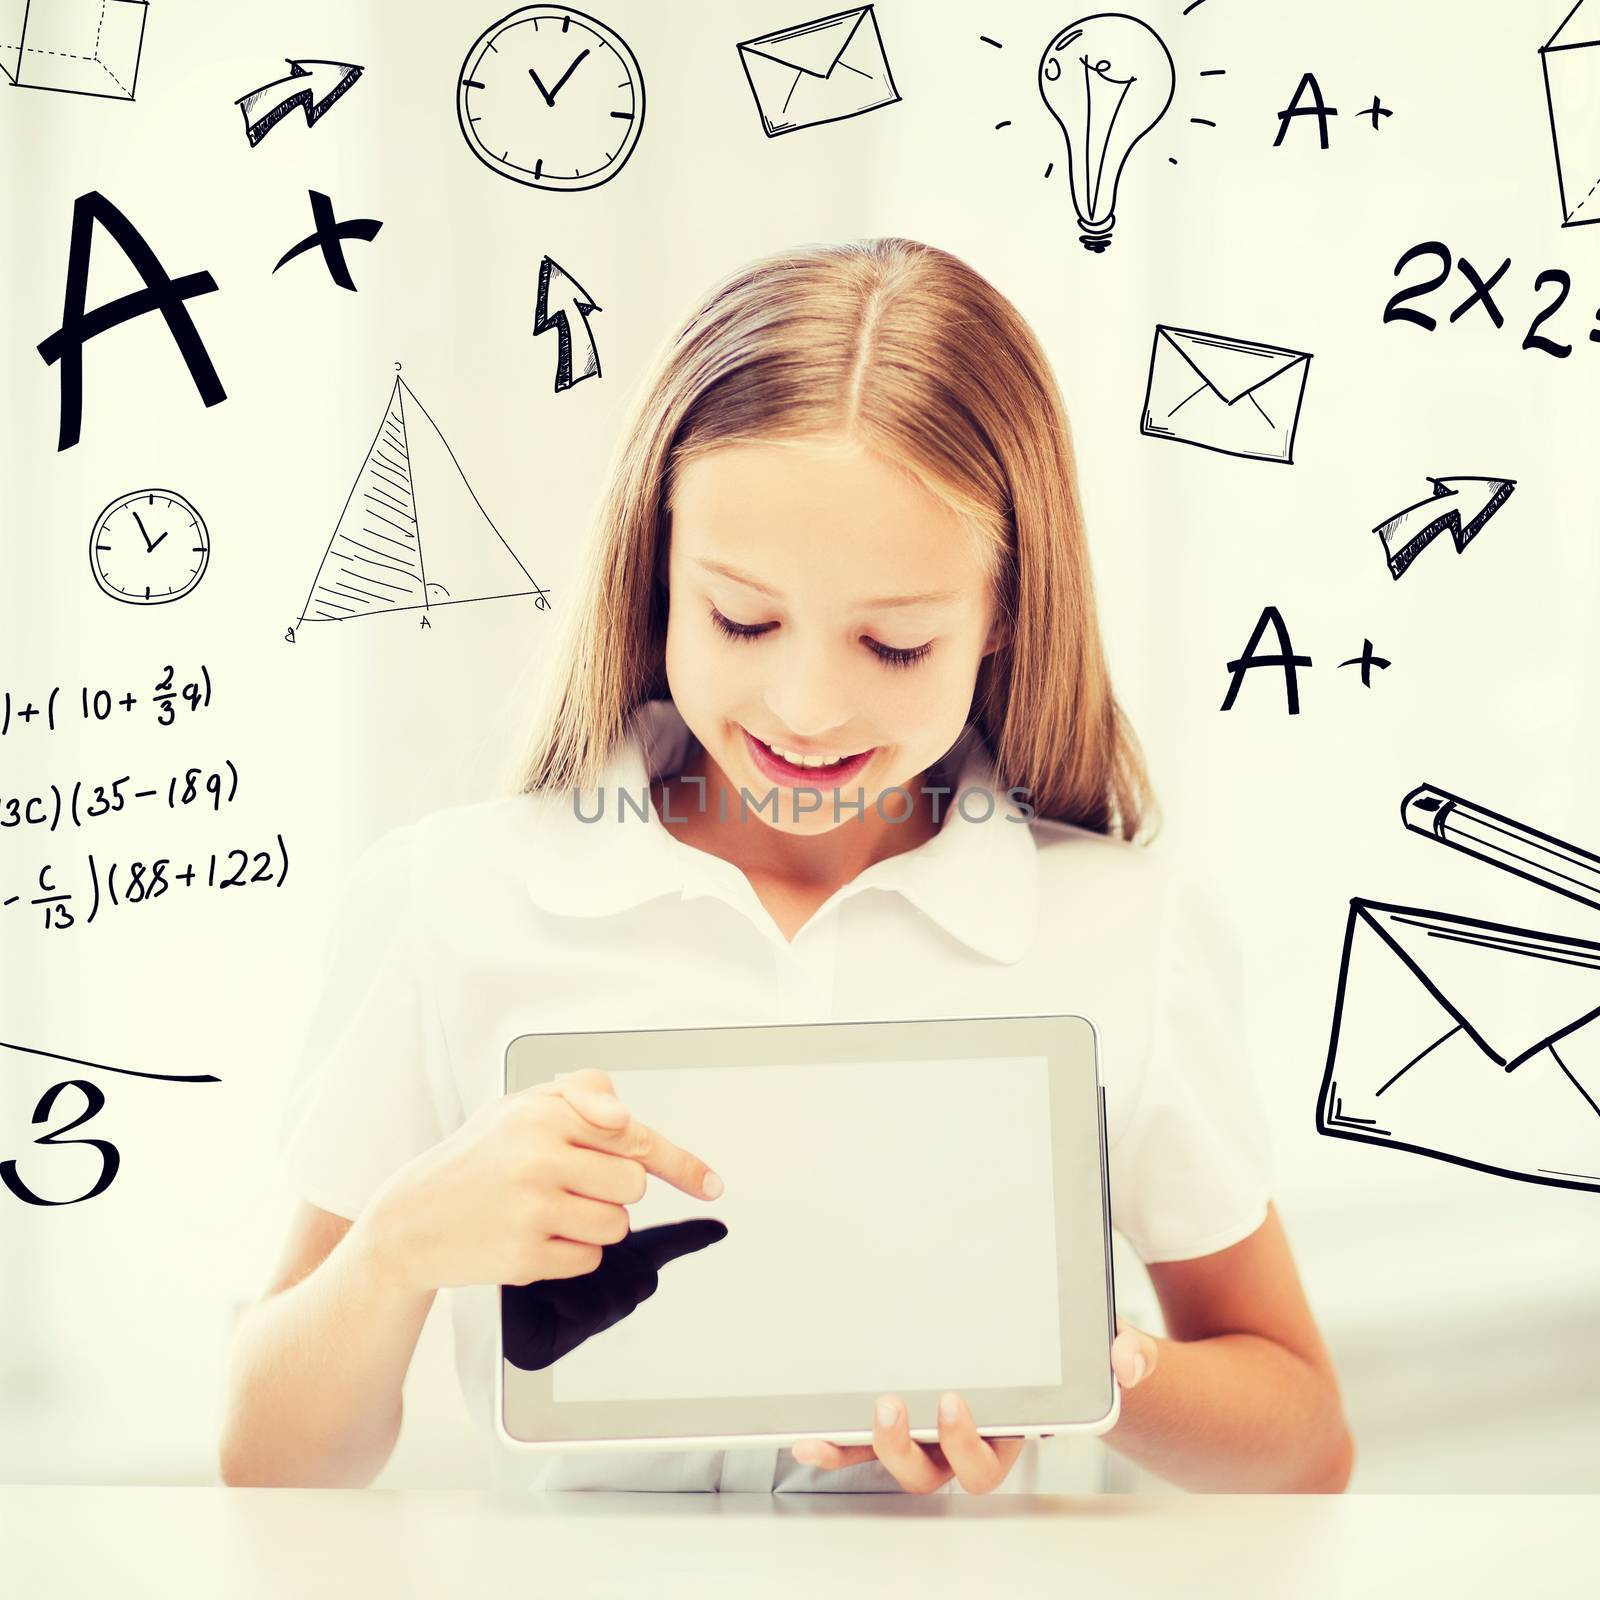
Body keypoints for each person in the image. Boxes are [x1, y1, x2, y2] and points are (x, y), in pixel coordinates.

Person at [218, 237, 1354, 1496]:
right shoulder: (449, 902)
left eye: (895, 643)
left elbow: (1303, 1441)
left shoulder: (1121, 924)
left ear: (1004, 617)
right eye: (742, 619)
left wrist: (1079, 1369)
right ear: (652, 574)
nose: (807, 707)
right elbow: (270, 1464)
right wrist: (389, 1255)